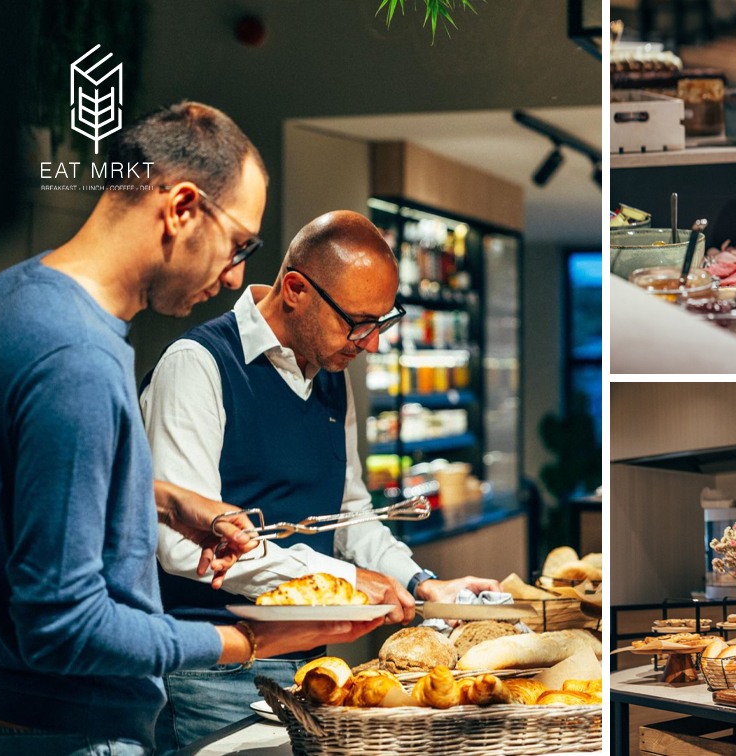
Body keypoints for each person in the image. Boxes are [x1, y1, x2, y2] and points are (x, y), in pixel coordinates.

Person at [0, 102, 381, 756]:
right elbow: (64, 626)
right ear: (182, 208)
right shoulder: (76, 359)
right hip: (71, 729)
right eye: (240, 244)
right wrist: (251, 642)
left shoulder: (10, 298)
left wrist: (161, 497)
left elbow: (22, 490)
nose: (237, 278)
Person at [140, 210, 500, 752]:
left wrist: (422, 583)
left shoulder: (329, 373)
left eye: (382, 322)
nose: (371, 343)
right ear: (295, 290)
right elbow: (179, 547)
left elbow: (353, 514)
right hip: (209, 671)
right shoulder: (196, 366)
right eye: (359, 322)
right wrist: (347, 581)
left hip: (312, 667)